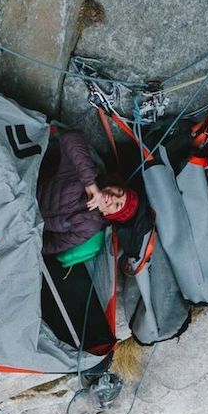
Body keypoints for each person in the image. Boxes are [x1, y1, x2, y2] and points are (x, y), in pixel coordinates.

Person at [37, 128, 138, 350]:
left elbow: (54, 245)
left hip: (22, 226)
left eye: (117, 205)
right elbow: (70, 137)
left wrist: (29, 243)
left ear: (112, 216)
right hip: (19, 190)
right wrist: (91, 184)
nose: (113, 199)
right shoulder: (84, 175)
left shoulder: (90, 228)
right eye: (119, 192)